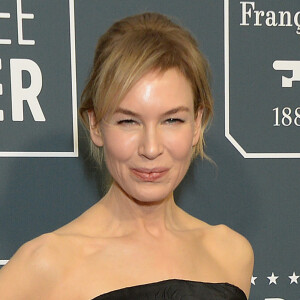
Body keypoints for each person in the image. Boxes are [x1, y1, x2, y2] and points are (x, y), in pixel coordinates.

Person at [0, 12, 254, 299]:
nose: (150, 148)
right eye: (128, 121)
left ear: (197, 124)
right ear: (95, 125)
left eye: (172, 120)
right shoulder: (45, 265)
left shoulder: (231, 254)